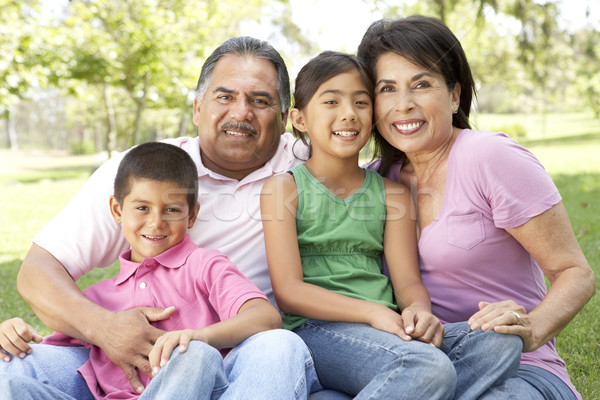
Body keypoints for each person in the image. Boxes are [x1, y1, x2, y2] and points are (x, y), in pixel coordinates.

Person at [1, 36, 323, 399]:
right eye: (225, 96)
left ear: (284, 120)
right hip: (122, 366)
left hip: (232, 360)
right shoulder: (148, 171)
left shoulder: (312, 166)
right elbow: (38, 270)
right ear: (198, 109)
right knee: (9, 366)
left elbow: (379, 174)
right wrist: (106, 327)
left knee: (278, 347)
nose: (241, 113)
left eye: (260, 101)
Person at [357, 15, 595, 400]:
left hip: (517, 372)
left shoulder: (489, 156)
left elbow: (575, 273)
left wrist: (532, 328)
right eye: (387, 88)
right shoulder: (370, 181)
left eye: (421, 84)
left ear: (454, 94)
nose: (404, 104)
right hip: (415, 367)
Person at [2, 141, 284, 399]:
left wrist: (200, 336)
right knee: (12, 382)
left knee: (197, 355)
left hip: (191, 390)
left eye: (172, 210)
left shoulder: (204, 265)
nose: (156, 222)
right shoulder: (100, 298)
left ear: (192, 215)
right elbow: (50, 352)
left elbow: (265, 317)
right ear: (116, 210)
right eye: (142, 208)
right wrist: (15, 333)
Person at [260, 50, 457, 399]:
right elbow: (289, 292)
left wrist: (418, 311)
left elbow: (408, 281)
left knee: (498, 344)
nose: (348, 114)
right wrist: (371, 312)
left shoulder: (392, 195)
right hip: (316, 331)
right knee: (429, 367)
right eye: (331, 102)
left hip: (386, 330)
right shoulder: (284, 189)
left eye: (361, 102)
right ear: (299, 119)